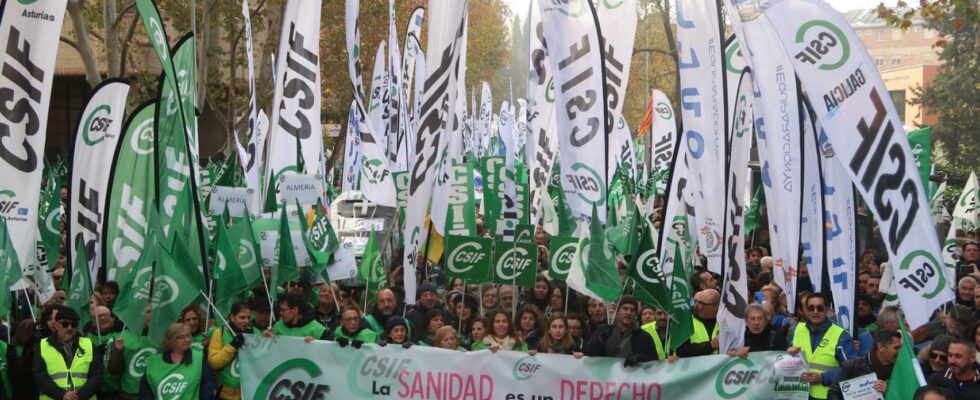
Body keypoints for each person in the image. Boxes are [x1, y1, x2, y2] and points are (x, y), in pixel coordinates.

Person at [787, 292, 857, 400]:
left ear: (827, 309)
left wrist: (823, 378)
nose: (815, 312)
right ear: (806, 309)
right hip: (800, 394)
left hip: (828, 396)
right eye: (811, 308)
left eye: (820, 308)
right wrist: (788, 355)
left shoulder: (841, 336)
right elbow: (789, 362)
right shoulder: (797, 329)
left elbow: (853, 370)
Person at [32, 307, 104, 400]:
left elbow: (96, 375)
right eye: (65, 324)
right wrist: (62, 395)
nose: (70, 328)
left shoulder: (88, 344)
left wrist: (79, 396)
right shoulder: (42, 345)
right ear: (56, 325)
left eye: (74, 324)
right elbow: (40, 376)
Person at [139, 323, 215, 399]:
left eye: (188, 336)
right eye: (181, 337)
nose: (187, 340)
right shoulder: (154, 362)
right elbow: (145, 389)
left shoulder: (199, 359)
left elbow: (207, 386)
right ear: (170, 340)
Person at [827, 330, 902, 400]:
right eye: (896, 348)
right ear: (881, 347)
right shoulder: (852, 365)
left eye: (900, 347)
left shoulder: (901, 370)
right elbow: (833, 393)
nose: (900, 351)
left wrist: (888, 393)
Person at [584, 297, 660, 366]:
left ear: (636, 314)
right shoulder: (603, 329)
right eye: (625, 308)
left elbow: (654, 363)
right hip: (605, 379)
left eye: (632, 310)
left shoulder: (644, 337)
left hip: (630, 379)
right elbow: (587, 353)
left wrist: (640, 359)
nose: (628, 312)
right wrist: (600, 340)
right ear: (617, 312)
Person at [106, 308, 158, 399]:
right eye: (148, 312)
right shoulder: (121, 337)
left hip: (156, 391)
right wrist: (117, 352)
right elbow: (113, 370)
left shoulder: (162, 335)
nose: (151, 315)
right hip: (131, 394)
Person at [207, 302, 251, 400]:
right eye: (242, 317)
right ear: (232, 317)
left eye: (248, 317)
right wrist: (232, 346)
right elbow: (214, 362)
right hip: (224, 394)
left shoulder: (252, 333)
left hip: (246, 394)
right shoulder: (220, 333)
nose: (246, 321)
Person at [264, 293, 329, 342]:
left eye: (283, 310)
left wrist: (317, 343)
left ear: (295, 310)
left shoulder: (317, 329)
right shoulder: (277, 326)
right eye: (280, 310)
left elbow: (329, 351)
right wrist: (265, 338)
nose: (280, 313)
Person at [677, 289, 720, 357]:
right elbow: (682, 351)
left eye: (703, 304)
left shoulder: (724, 322)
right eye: (698, 302)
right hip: (695, 367)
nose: (700, 307)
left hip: (723, 367)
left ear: (716, 305)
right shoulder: (686, 323)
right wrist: (710, 345)